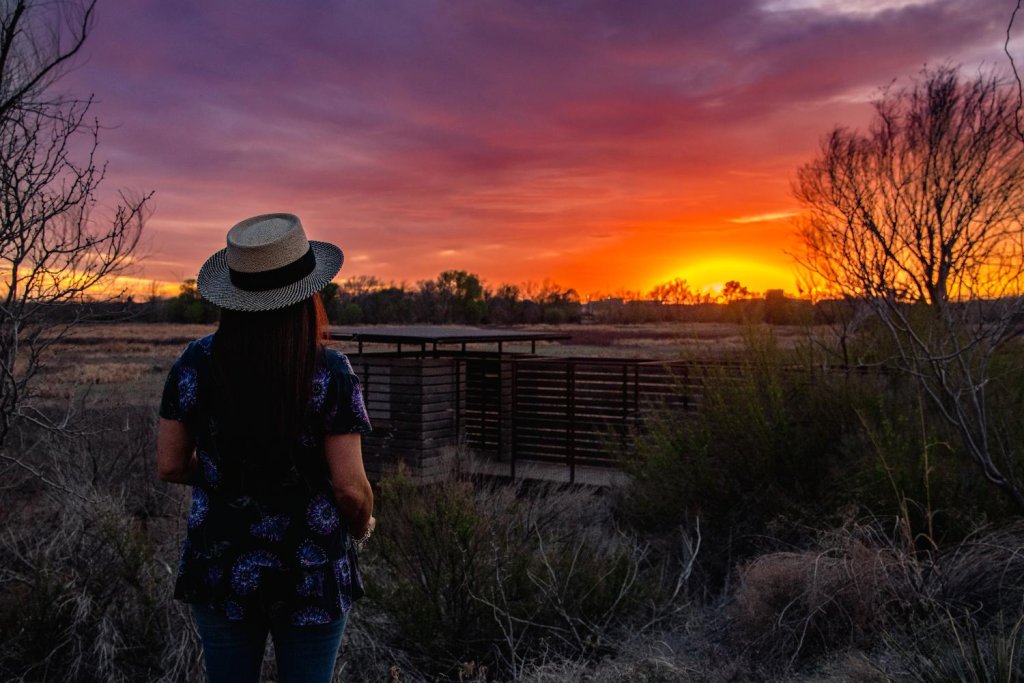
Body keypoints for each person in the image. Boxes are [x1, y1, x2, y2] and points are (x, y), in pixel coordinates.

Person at [156, 213, 375, 683]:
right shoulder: (331, 371)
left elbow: (171, 464)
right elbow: (351, 490)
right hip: (310, 570)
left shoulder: (195, 363)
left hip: (221, 564)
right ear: (306, 295)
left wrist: (220, 472)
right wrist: (363, 527)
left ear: (233, 298)